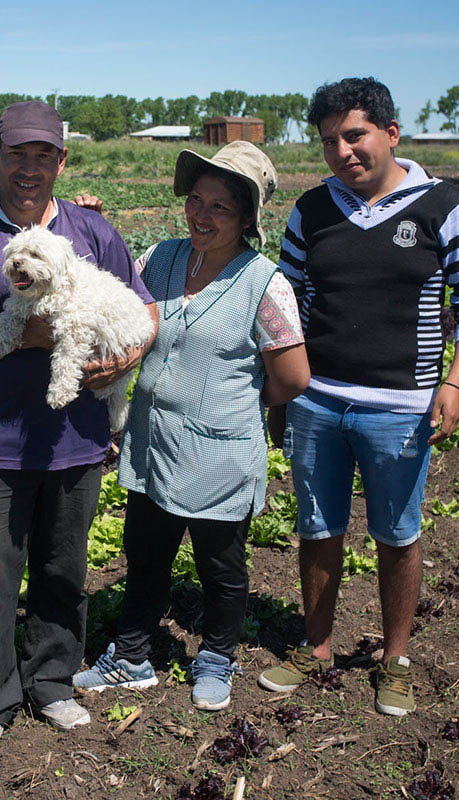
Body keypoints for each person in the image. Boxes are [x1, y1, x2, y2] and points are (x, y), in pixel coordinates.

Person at [0, 101, 158, 755]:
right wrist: (32, 333)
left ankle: (51, 682)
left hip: (77, 435)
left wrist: (131, 352)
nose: (30, 167)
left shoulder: (92, 231)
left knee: (62, 567)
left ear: (62, 161)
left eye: (43, 155)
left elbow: (143, 305)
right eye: (17, 154)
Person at [258, 78, 459, 716]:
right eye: (329, 141)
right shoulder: (312, 211)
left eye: (355, 135)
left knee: (397, 533)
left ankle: (395, 658)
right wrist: (281, 397)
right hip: (318, 402)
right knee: (317, 526)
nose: (343, 151)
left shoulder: (443, 206)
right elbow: (286, 307)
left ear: (391, 134)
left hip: (401, 406)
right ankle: (316, 647)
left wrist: (454, 382)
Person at [73, 142, 309, 711]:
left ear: (248, 218)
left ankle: (217, 658)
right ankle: (131, 657)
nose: (202, 216)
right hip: (153, 440)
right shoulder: (161, 256)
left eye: (220, 207)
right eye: (196, 201)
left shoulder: (265, 282)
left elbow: (293, 377)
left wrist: (235, 399)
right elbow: (115, 295)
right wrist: (93, 226)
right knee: (145, 553)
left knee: (220, 565)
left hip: (219, 450)